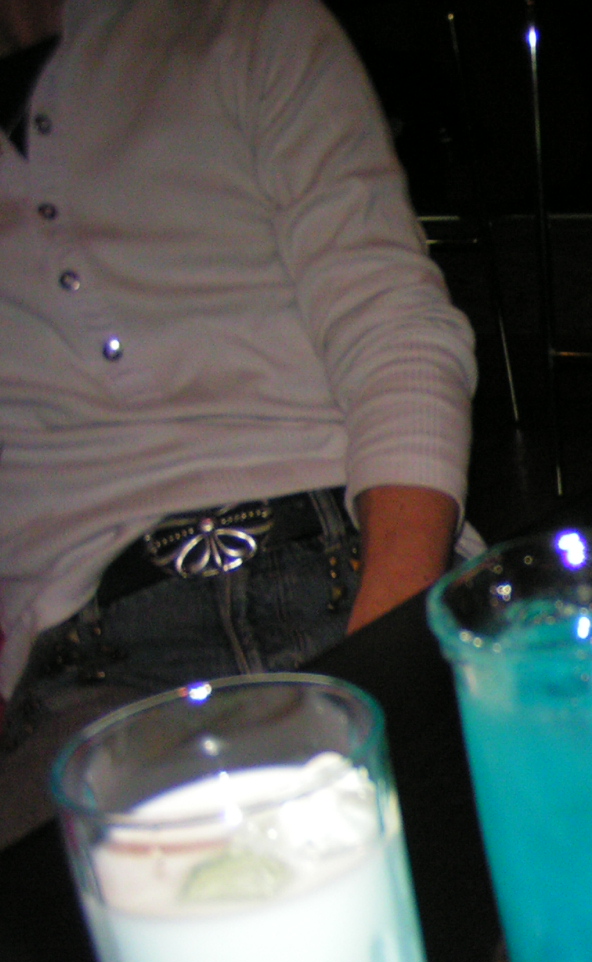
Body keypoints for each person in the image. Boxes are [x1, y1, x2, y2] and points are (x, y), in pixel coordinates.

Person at [0, 0, 479, 847]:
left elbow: (393, 331)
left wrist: (388, 658)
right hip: (91, 658)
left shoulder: (249, 23)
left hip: (354, 562)